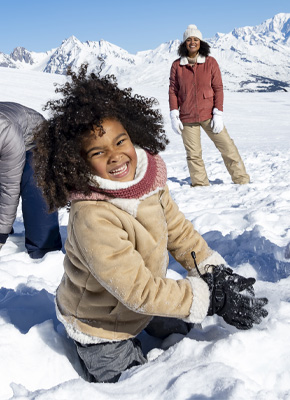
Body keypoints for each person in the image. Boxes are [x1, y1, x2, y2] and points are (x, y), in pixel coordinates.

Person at [33, 64, 267, 384]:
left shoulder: (148, 180)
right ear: (78, 161)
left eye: (120, 141)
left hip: (139, 305)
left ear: (133, 133)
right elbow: (138, 290)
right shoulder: (92, 216)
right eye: (98, 152)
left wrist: (213, 272)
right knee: (144, 383)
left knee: (185, 328)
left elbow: (179, 232)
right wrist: (209, 298)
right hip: (99, 325)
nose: (115, 156)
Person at [169, 24, 250, 187]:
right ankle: (200, 185)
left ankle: (242, 180)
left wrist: (218, 113)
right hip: (187, 117)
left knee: (228, 148)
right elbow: (173, 90)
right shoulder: (177, 65)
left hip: (210, 115)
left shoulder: (210, 62)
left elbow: (218, 88)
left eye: (196, 39)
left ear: (201, 42)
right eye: (189, 39)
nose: (192, 42)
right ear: (184, 43)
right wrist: (174, 114)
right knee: (193, 154)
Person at [0, 102, 62, 259]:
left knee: (35, 178)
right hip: (11, 143)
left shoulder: (5, 131)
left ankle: (44, 250)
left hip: (36, 143)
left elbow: (9, 185)